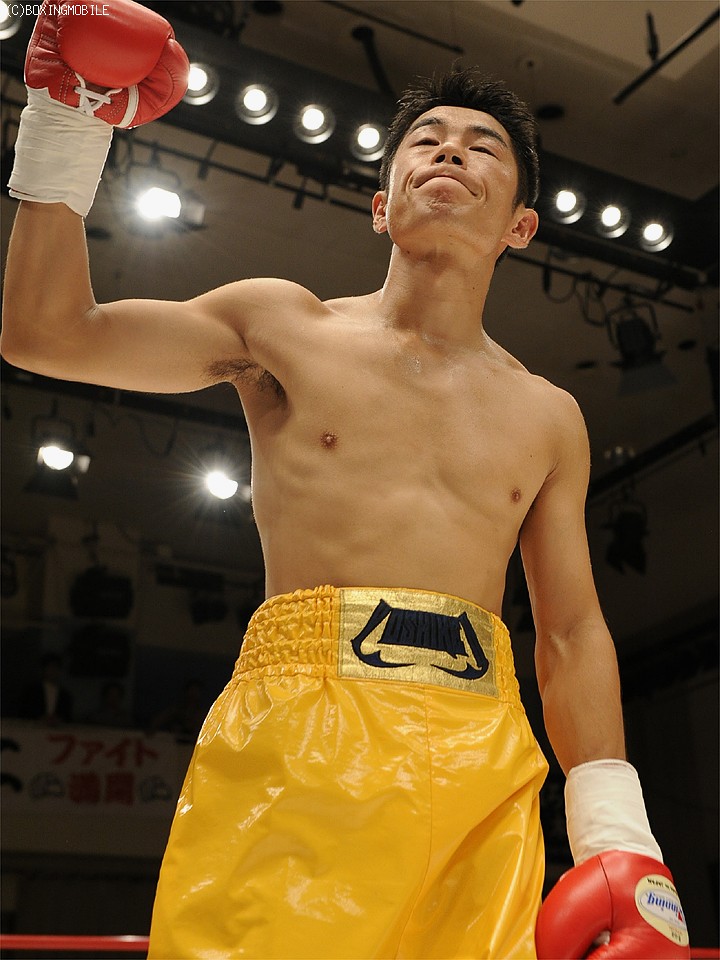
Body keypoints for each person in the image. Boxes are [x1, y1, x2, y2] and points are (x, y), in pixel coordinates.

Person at [1, 3, 689, 958]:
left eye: (483, 145)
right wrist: (68, 122)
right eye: (425, 139)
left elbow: (571, 633)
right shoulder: (281, 327)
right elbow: (46, 333)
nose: (450, 151)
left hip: (485, 764)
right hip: (300, 734)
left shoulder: (550, 416)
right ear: (380, 204)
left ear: (521, 225)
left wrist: (620, 841)